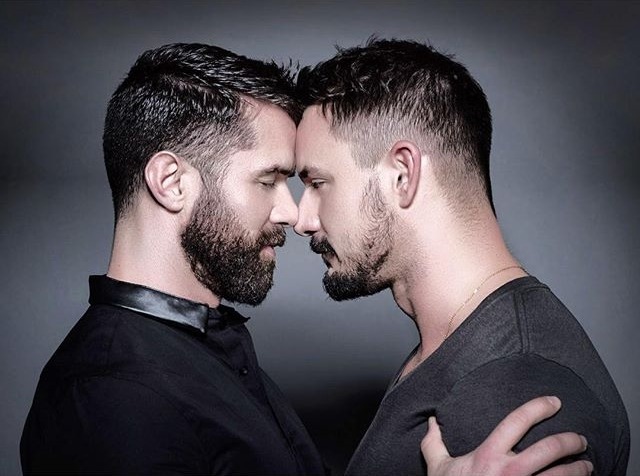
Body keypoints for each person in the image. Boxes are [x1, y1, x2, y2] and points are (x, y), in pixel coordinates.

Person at [21, 42, 592, 476]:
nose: (293, 212)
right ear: (171, 182)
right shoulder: (112, 395)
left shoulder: (209, 346)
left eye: (307, 182)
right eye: (268, 179)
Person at [295, 38, 629, 476]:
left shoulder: (516, 387)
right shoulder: (462, 344)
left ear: (402, 175)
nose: (302, 220)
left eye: (317, 183)